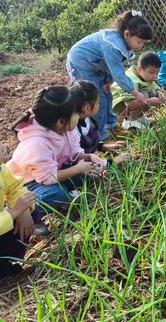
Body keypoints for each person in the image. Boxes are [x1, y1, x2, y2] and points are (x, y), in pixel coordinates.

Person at [7, 87, 105, 236]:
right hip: (27, 183)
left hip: (52, 170)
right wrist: (77, 169)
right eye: (76, 113)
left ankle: (69, 193)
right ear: (61, 121)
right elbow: (48, 178)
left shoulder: (66, 129)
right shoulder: (36, 144)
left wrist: (87, 157)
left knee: (88, 173)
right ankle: (31, 214)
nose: (79, 116)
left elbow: (73, 152)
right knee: (57, 195)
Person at [66, 10, 154, 141]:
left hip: (96, 66)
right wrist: (135, 92)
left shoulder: (121, 43)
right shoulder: (112, 45)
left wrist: (108, 82)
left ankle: (112, 126)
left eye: (143, 43)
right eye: (139, 42)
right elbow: (118, 73)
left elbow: (112, 67)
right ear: (127, 34)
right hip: (81, 63)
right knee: (97, 99)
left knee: (107, 95)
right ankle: (101, 136)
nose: (141, 46)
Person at [0, 143, 35, 277]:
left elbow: (16, 187)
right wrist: (13, 213)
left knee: (32, 211)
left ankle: (7, 262)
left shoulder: (2, 170)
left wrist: (23, 211)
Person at [111, 51, 166, 130]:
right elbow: (128, 102)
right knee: (143, 94)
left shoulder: (144, 77)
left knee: (153, 93)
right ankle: (130, 121)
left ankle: (139, 118)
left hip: (131, 103)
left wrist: (160, 92)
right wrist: (150, 101)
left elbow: (154, 86)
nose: (155, 77)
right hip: (118, 107)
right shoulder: (132, 80)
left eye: (157, 73)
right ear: (139, 69)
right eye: (152, 73)